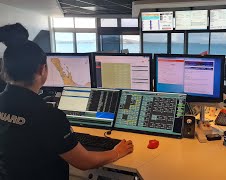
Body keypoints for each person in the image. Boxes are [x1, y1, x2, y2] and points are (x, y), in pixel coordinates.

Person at [0, 23, 134, 180]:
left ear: (5, 70)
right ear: (42, 70)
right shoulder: (48, 116)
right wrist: (118, 151)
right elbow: (85, 162)